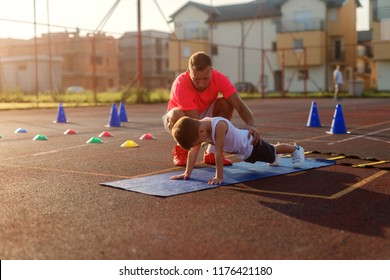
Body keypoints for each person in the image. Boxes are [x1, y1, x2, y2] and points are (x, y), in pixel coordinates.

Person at [162, 51, 260, 166]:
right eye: (196, 79)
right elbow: (197, 124)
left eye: (205, 78)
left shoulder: (219, 78)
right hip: (182, 117)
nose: (201, 83)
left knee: (226, 103)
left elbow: (239, 104)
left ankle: (212, 153)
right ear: (189, 73)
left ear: (211, 71)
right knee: (177, 114)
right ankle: (182, 150)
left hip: (204, 112)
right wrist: (223, 140)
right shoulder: (180, 85)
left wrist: (251, 125)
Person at [170, 116, 305, 185]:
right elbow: (193, 151)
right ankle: (275, 156)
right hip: (244, 152)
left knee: (272, 151)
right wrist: (187, 173)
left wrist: (219, 177)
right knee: (269, 155)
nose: (200, 144)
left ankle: (296, 149)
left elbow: (218, 153)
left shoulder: (219, 126)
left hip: (251, 144)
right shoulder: (200, 129)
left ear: (200, 131)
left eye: (199, 142)